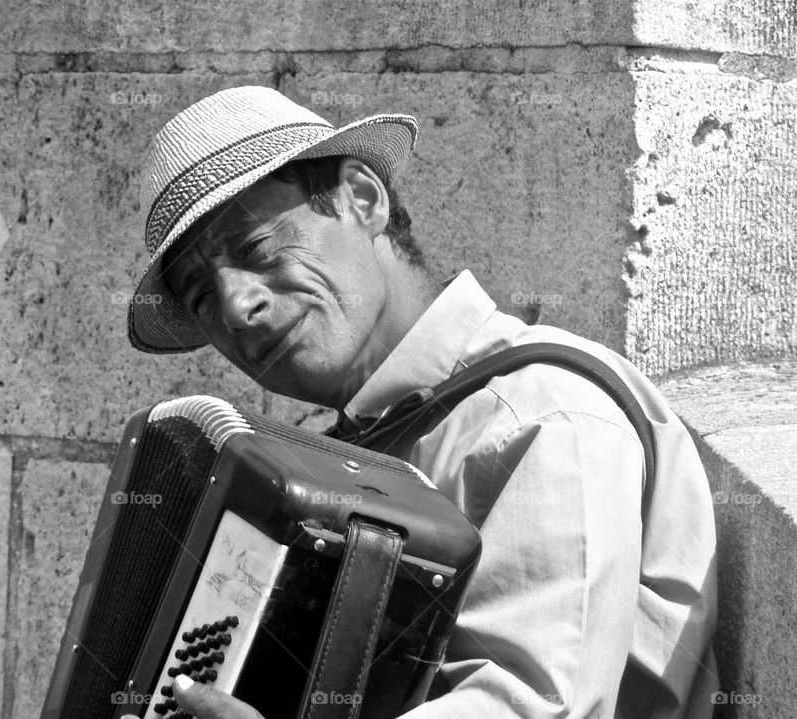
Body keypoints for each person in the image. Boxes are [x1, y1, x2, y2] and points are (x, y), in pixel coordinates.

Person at [126, 86, 719, 718]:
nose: (238, 308)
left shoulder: (542, 414)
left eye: (257, 250)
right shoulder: (335, 453)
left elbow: (532, 709)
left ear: (363, 198)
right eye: (201, 298)